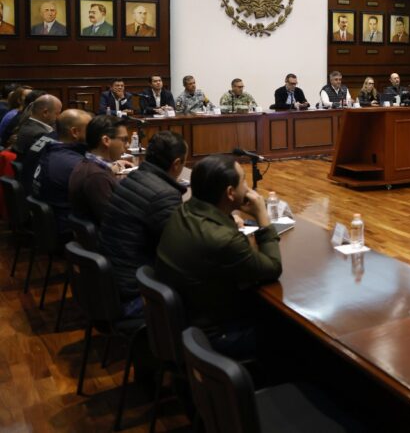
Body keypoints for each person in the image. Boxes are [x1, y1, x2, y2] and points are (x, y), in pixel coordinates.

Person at [156, 154, 282, 357]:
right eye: (244, 181)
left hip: (183, 324)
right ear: (230, 192)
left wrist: (228, 214)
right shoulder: (223, 240)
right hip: (216, 336)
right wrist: (262, 218)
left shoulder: (183, 211)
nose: (248, 187)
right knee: (293, 332)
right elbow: (273, 268)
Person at [100, 130, 188, 315]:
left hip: (113, 281)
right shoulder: (164, 194)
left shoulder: (132, 178)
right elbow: (180, 251)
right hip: (137, 292)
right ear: (177, 164)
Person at [32, 109, 92, 235]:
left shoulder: (52, 151)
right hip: (69, 228)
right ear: (75, 132)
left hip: (51, 221)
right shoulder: (74, 165)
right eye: (90, 130)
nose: (94, 134)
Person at [69, 115, 131, 224]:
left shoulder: (87, 164)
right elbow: (113, 221)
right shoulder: (97, 177)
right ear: (106, 140)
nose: (127, 145)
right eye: (124, 140)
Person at [13, 94, 61, 191]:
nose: (59, 117)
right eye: (57, 113)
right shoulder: (40, 134)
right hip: (34, 185)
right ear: (45, 112)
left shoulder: (27, 125)